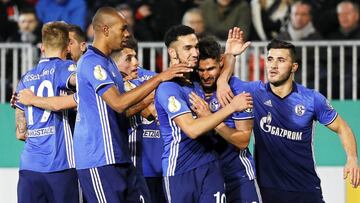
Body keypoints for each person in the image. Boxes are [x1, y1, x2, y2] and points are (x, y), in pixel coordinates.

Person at [73, 7, 192, 202]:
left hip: (120, 156)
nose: (127, 33)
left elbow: (125, 111)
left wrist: (149, 100)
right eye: (122, 28)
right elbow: (119, 104)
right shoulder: (92, 62)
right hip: (99, 158)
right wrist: (161, 77)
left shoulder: (109, 64)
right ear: (105, 30)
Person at [247, 39, 360, 203]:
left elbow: (343, 127)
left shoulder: (312, 99)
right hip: (267, 191)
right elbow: (222, 82)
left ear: (294, 67)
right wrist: (230, 55)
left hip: (305, 190)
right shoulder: (254, 92)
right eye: (270, 59)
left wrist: (352, 158)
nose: (273, 65)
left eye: (281, 60)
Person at [155, 24, 253, 203]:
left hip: (212, 167)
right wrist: (230, 108)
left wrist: (226, 69)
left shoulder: (197, 82)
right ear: (172, 52)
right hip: (180, 171)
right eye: (188, 48)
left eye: (195, 47)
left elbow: (243, 140)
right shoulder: (169, 87)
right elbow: (191, 130)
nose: (194, 53)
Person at [190, 36, 261, 203]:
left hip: (238, 176)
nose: (205, 75)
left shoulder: (237, 90)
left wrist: (212, 119)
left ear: (220, 63)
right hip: (204, 178)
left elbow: (243, 140)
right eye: (201, 70)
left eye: (211, 69)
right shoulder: (191, 87)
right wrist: (223, 75)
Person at [14, 21, 79, 203]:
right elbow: (80, 82)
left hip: (29, 166)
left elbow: (20, 132)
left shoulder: (26, 78)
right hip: (60, 165)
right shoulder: (65, 68)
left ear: (42, 47)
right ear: (67, 47)